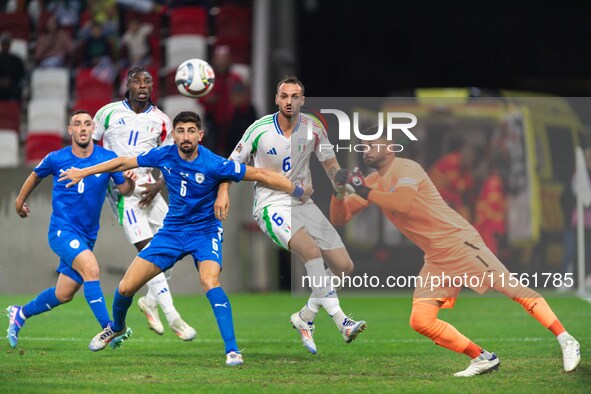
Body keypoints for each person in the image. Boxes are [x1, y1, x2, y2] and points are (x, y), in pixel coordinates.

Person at [59, 110, 305, 366]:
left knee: (210, 282)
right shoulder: (164, 155)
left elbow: (261, 174)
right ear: (173, 136)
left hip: (204, 233)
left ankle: (232, 350)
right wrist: (83, 172)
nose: (185, 136)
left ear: (200, 135)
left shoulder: (213, 163)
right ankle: (117, 327)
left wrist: (297, 190)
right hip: (172, 233)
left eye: (190, 131)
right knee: (125, 288)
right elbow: (122, 162)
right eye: (180, 131)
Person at [329, 132, 581, 376]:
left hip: (459, 243)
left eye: (373, 143)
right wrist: (339, 191)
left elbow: (402, 203)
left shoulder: (407, 169)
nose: (366, 149)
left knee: (512, 289)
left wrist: (362, 190)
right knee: (421, 320)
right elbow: (340, 218)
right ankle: (482, 357)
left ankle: (566, 339)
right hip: (436, 257)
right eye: (363, 145)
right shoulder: (373, 182)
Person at [220, 75, 366, 355]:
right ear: (276, 99)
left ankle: (305, 317)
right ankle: (342, 321)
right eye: (284, 96)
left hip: (303, 203)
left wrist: (345, 180)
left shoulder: (314, 128)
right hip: (270, 204)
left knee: (344, 267)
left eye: (295, 96)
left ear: (303, 100)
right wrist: (223, 193)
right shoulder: (259, 129)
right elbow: (230, 166)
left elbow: (331, 167)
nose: (289, 101)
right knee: (311, 253)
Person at [6, 110, 136, 350]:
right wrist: (18, 201)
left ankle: (20, 314)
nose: (83, 128)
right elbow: (35, 176)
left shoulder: (107, 158)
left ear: (92, 129)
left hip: (88, 236)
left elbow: (125, 190)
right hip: (61, 231)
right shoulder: (57, 158)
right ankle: (110, 328)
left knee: (64, 293)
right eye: (78, 124)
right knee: (92, 268)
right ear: (70, 130)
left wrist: (131, 181)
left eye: (88, 124)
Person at [93, 66, 196, 340]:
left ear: (152, 87)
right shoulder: (107, 113)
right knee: (149, 251)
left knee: (175, 247)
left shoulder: (162, 120)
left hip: (149, 188)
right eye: (137, 80)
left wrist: (160, 184)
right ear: (127, 84)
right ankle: (174, 317)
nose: (142, 85)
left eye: (147, 81)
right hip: (122, 192)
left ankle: (149, 302)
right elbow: (90, 148)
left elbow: (172, 158)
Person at [0, 32, 25, 101]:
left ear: (10, 45)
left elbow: (22, 76)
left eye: (7, 43)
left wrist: (10, 81)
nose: (5, 45)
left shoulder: (17, 60)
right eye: (4, 43)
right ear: (1, 44)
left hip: (13, 88)